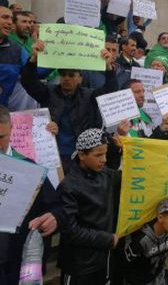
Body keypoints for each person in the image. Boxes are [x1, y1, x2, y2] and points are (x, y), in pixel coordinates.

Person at [21, 40, 117, 171]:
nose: (66, 78)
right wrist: (33, 60)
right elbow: (28, 82)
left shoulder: (89, 96)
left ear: (80, 78)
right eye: (63, 74)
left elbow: (110, 91)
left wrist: (109, 68)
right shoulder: (48, 92)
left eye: (71, 75)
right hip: (52, 155)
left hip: (80, 156)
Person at [0, 105, 65, 284]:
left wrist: (54, 217)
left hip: (19, 263)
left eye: (0, 137)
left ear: (11, 129)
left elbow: (56, 206)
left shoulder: (28, 169)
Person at [58, 128, 122, 285]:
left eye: (105, 154)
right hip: (78, 266)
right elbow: (72, 232)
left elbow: (130, 178)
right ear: (81, 155)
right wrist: (107, 239)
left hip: (103, 261)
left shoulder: (106, 174)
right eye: (98, 155)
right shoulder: (69, 186)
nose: (104, 160)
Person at [119, 199, 168, 285]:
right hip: (138, 281)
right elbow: (125, 263)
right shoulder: (142, 239)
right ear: (160, 218)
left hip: (158, 277)